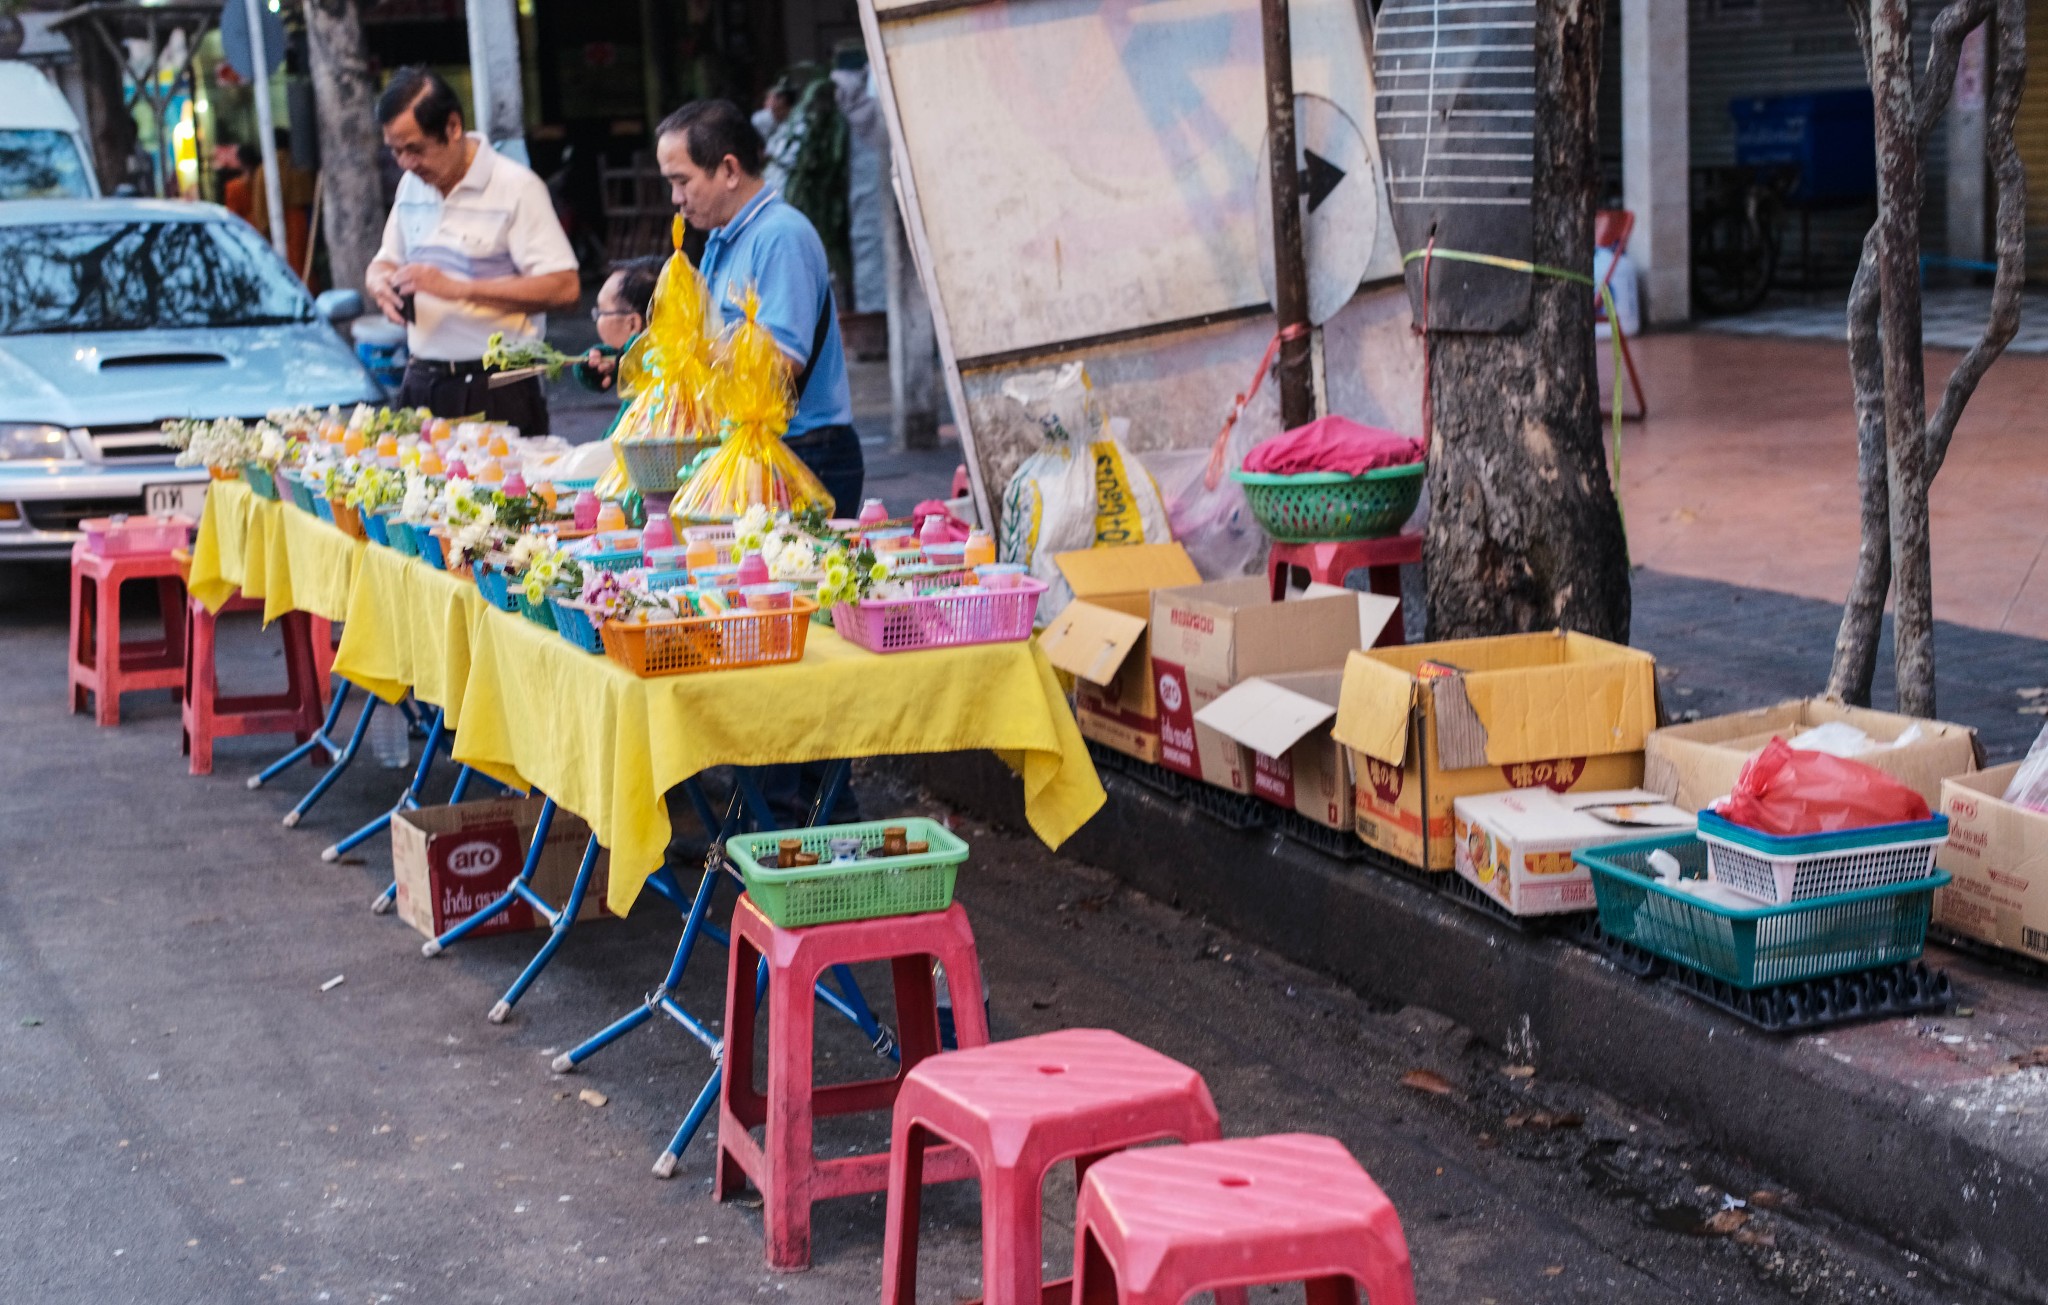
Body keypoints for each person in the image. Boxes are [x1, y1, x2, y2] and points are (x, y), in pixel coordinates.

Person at [655, 98, 863, 512]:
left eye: (683, 181)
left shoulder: (780, 236)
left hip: (803, 451)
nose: (676, 198)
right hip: (753, 448)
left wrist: (694, 351)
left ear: (730, 170)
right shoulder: (721, 236)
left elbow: (783, 361)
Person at [365, 66, 580, 433]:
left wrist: (461, 289)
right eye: (396, 152)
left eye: (414, 150)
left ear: (452, 127)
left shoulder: (516, 188)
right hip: (420, 382)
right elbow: (385, 261)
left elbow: (564, 288)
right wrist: (380, 281)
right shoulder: (411, 186)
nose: (405, 164)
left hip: (495, 387)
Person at [574, 256, 663, 428]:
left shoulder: (661, 381)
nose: (596, 319)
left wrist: (629, 358)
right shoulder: (648, 363)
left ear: (632, 324)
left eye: (600, 313)